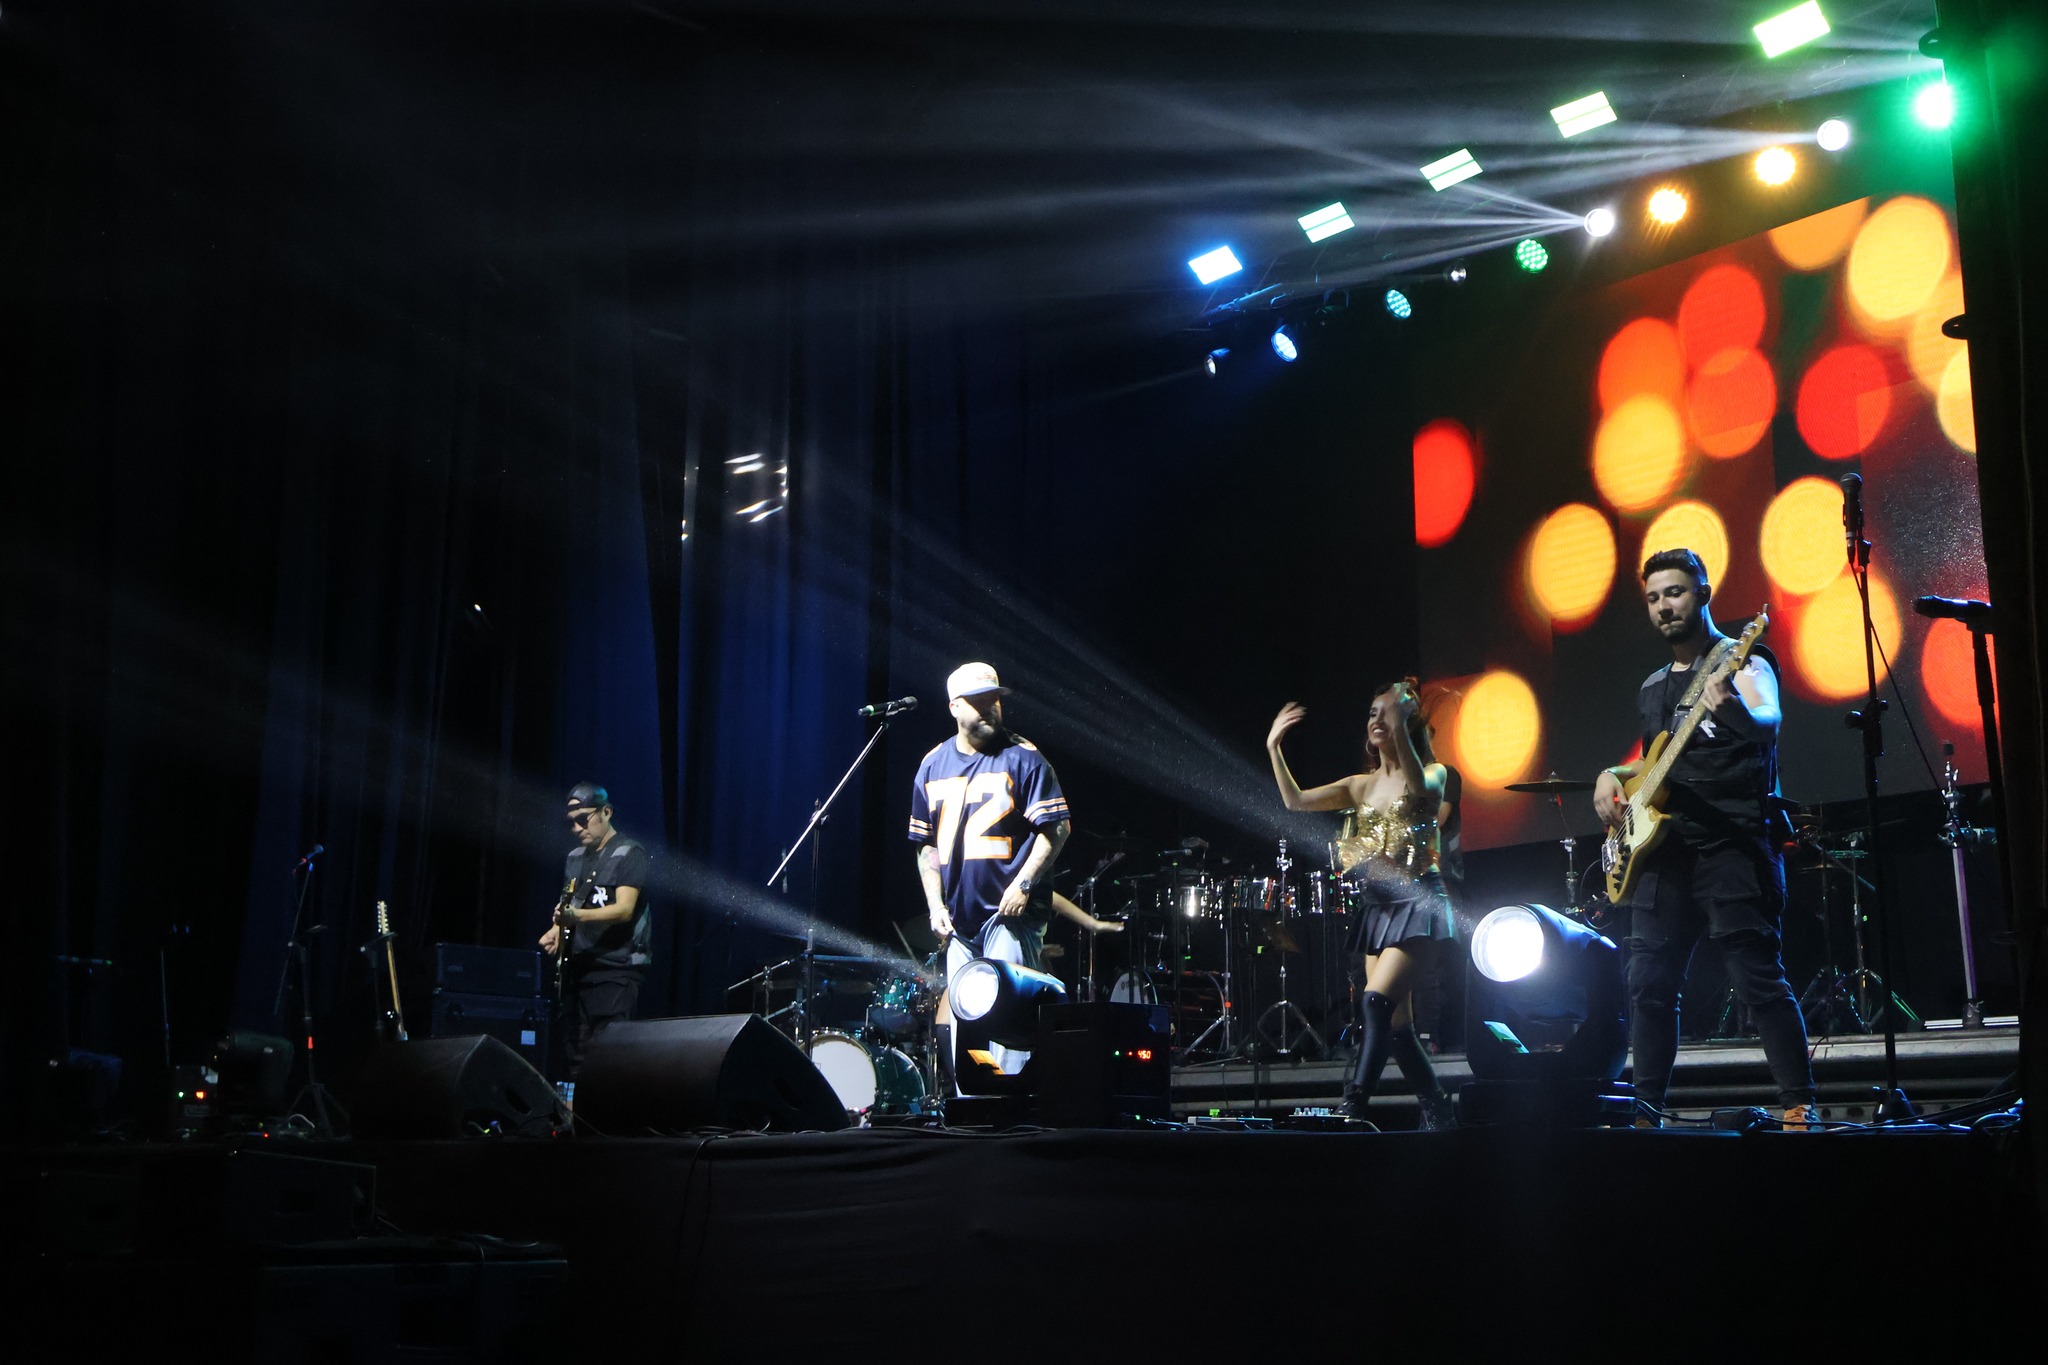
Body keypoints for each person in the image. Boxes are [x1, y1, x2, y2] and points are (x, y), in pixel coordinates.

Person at [1593, 548, 1818, 1130]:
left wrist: (1737, 710)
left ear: (1703, 592)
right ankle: (1646, 1111)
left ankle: (1799, 1106)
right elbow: (1650, 767)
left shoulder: (1743, 661)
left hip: (1734, 846)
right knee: (1648, 984)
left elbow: (1767, 722)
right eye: (1653, 598)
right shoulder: (1652, 688)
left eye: (1675, 592)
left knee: (1756, 979)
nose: (1665, 606)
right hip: (1664, 854)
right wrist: (1609, 778)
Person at [1267, 680, 1457, 1127]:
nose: (1376, 720)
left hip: (1418, 903)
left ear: (1406, 725)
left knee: (1375, 1002)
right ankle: (1439, 1110)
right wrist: (1274, 746)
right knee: (1397, 1027)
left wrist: (1400, 723)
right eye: (1372, 713)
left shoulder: (1435, 772)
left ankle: (1354, 1105)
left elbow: (1420, 793)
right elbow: (1294, 801)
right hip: (1377, 908)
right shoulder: (1360, 785)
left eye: (1385, 713)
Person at [911, 662, 1070, 1080]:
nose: (989, 709)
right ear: (953, 707)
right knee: (969, 1022)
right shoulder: (932, 764)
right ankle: (977, 1111)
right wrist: (934, 906)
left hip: (1009, 916)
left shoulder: (1024, 757)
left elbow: (1057, 828)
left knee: (1012, 1022)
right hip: (960, 921)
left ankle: (1016, 1115)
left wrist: (1023, 884)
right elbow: (926, 844)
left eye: (994, 699)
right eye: (978, 702)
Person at [539, 782, 652, 1080]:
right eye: (571, 822)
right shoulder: (575, 858)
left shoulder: (630, 853)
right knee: (576, 1054)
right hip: (580, 969)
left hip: (616, 970)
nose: (577, 828)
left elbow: (625, 909)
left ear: (606, 812)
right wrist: (555, 928)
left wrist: (577, 916)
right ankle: (578, 1121)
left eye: (583, 819)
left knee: (609, 1055)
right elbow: (570, 901)